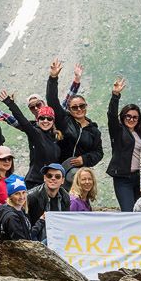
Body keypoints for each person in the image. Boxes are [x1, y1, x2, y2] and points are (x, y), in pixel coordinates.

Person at [46, 59, 103, 190]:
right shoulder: (64, 120)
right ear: (69, 109)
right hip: (59, 170)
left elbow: (98, 153)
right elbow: (52, 100)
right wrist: (53, 78)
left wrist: (84, 159)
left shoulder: (93, 130)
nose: (78, 109)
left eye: (81, 106)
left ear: (86, 107)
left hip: (80, 175)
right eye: (74, 107)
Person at [0, 90, 62, 189]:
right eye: (42, 118)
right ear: (38, 120)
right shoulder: (35, 133)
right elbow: (22, 121)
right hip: (34, 182)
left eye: (49, 118)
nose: (45, 121)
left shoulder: (56, 139)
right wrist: (10, 104)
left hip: (50, 184)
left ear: (53, 121)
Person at [106, 77, 141, 212]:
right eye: (128, 116)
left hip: (139, 178)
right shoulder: (118, 131)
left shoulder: (140, 135)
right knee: (128, 211)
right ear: (123, 117)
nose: (131, 119)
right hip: (123, 178)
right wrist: (115, 95)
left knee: (140, 211)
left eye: (135, 117)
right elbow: (111, 116)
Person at [0, 176, 45, 241]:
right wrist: (40, 222)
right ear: (10, 196)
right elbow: (23, 243)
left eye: (23, 192)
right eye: (17, 194)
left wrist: (41, 220)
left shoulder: (20, 209)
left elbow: (28, 235)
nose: (22, 197)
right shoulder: (12, 218)